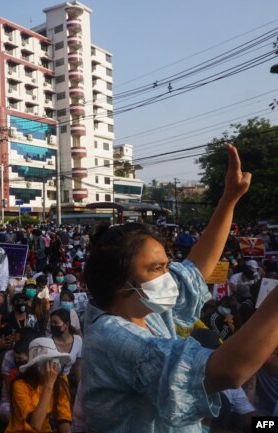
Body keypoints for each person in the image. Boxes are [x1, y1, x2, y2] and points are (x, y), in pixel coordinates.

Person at [81, 144, 278, 432]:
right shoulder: (113, 337)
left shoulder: (143, 308)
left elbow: (195, 268)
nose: (169, 275)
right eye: (157, 268)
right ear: (122, 283)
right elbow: (229, 370)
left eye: (166, 264)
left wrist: (229, 200)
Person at [5, 337, 72, 433]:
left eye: (55, 360)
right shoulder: (20, 385)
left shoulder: (61, 381)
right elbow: (35, 424)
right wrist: (48, 385)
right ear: (35, 366)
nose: (53, 366)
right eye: (47, 362)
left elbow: (63, 416)